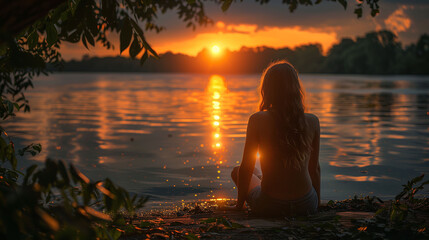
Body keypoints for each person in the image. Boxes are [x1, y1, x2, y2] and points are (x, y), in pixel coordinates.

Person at [228, 60, 321, 217]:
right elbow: (315, 170)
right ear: (296, 89)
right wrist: (316, 204)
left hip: (270, 205)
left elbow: (246, 167)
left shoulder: (257, 119)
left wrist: (239, 206)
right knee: (258, 173)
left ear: (267, 89)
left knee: (237, 171)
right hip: (306, 205)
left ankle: (265, 184)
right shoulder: (312, 121)